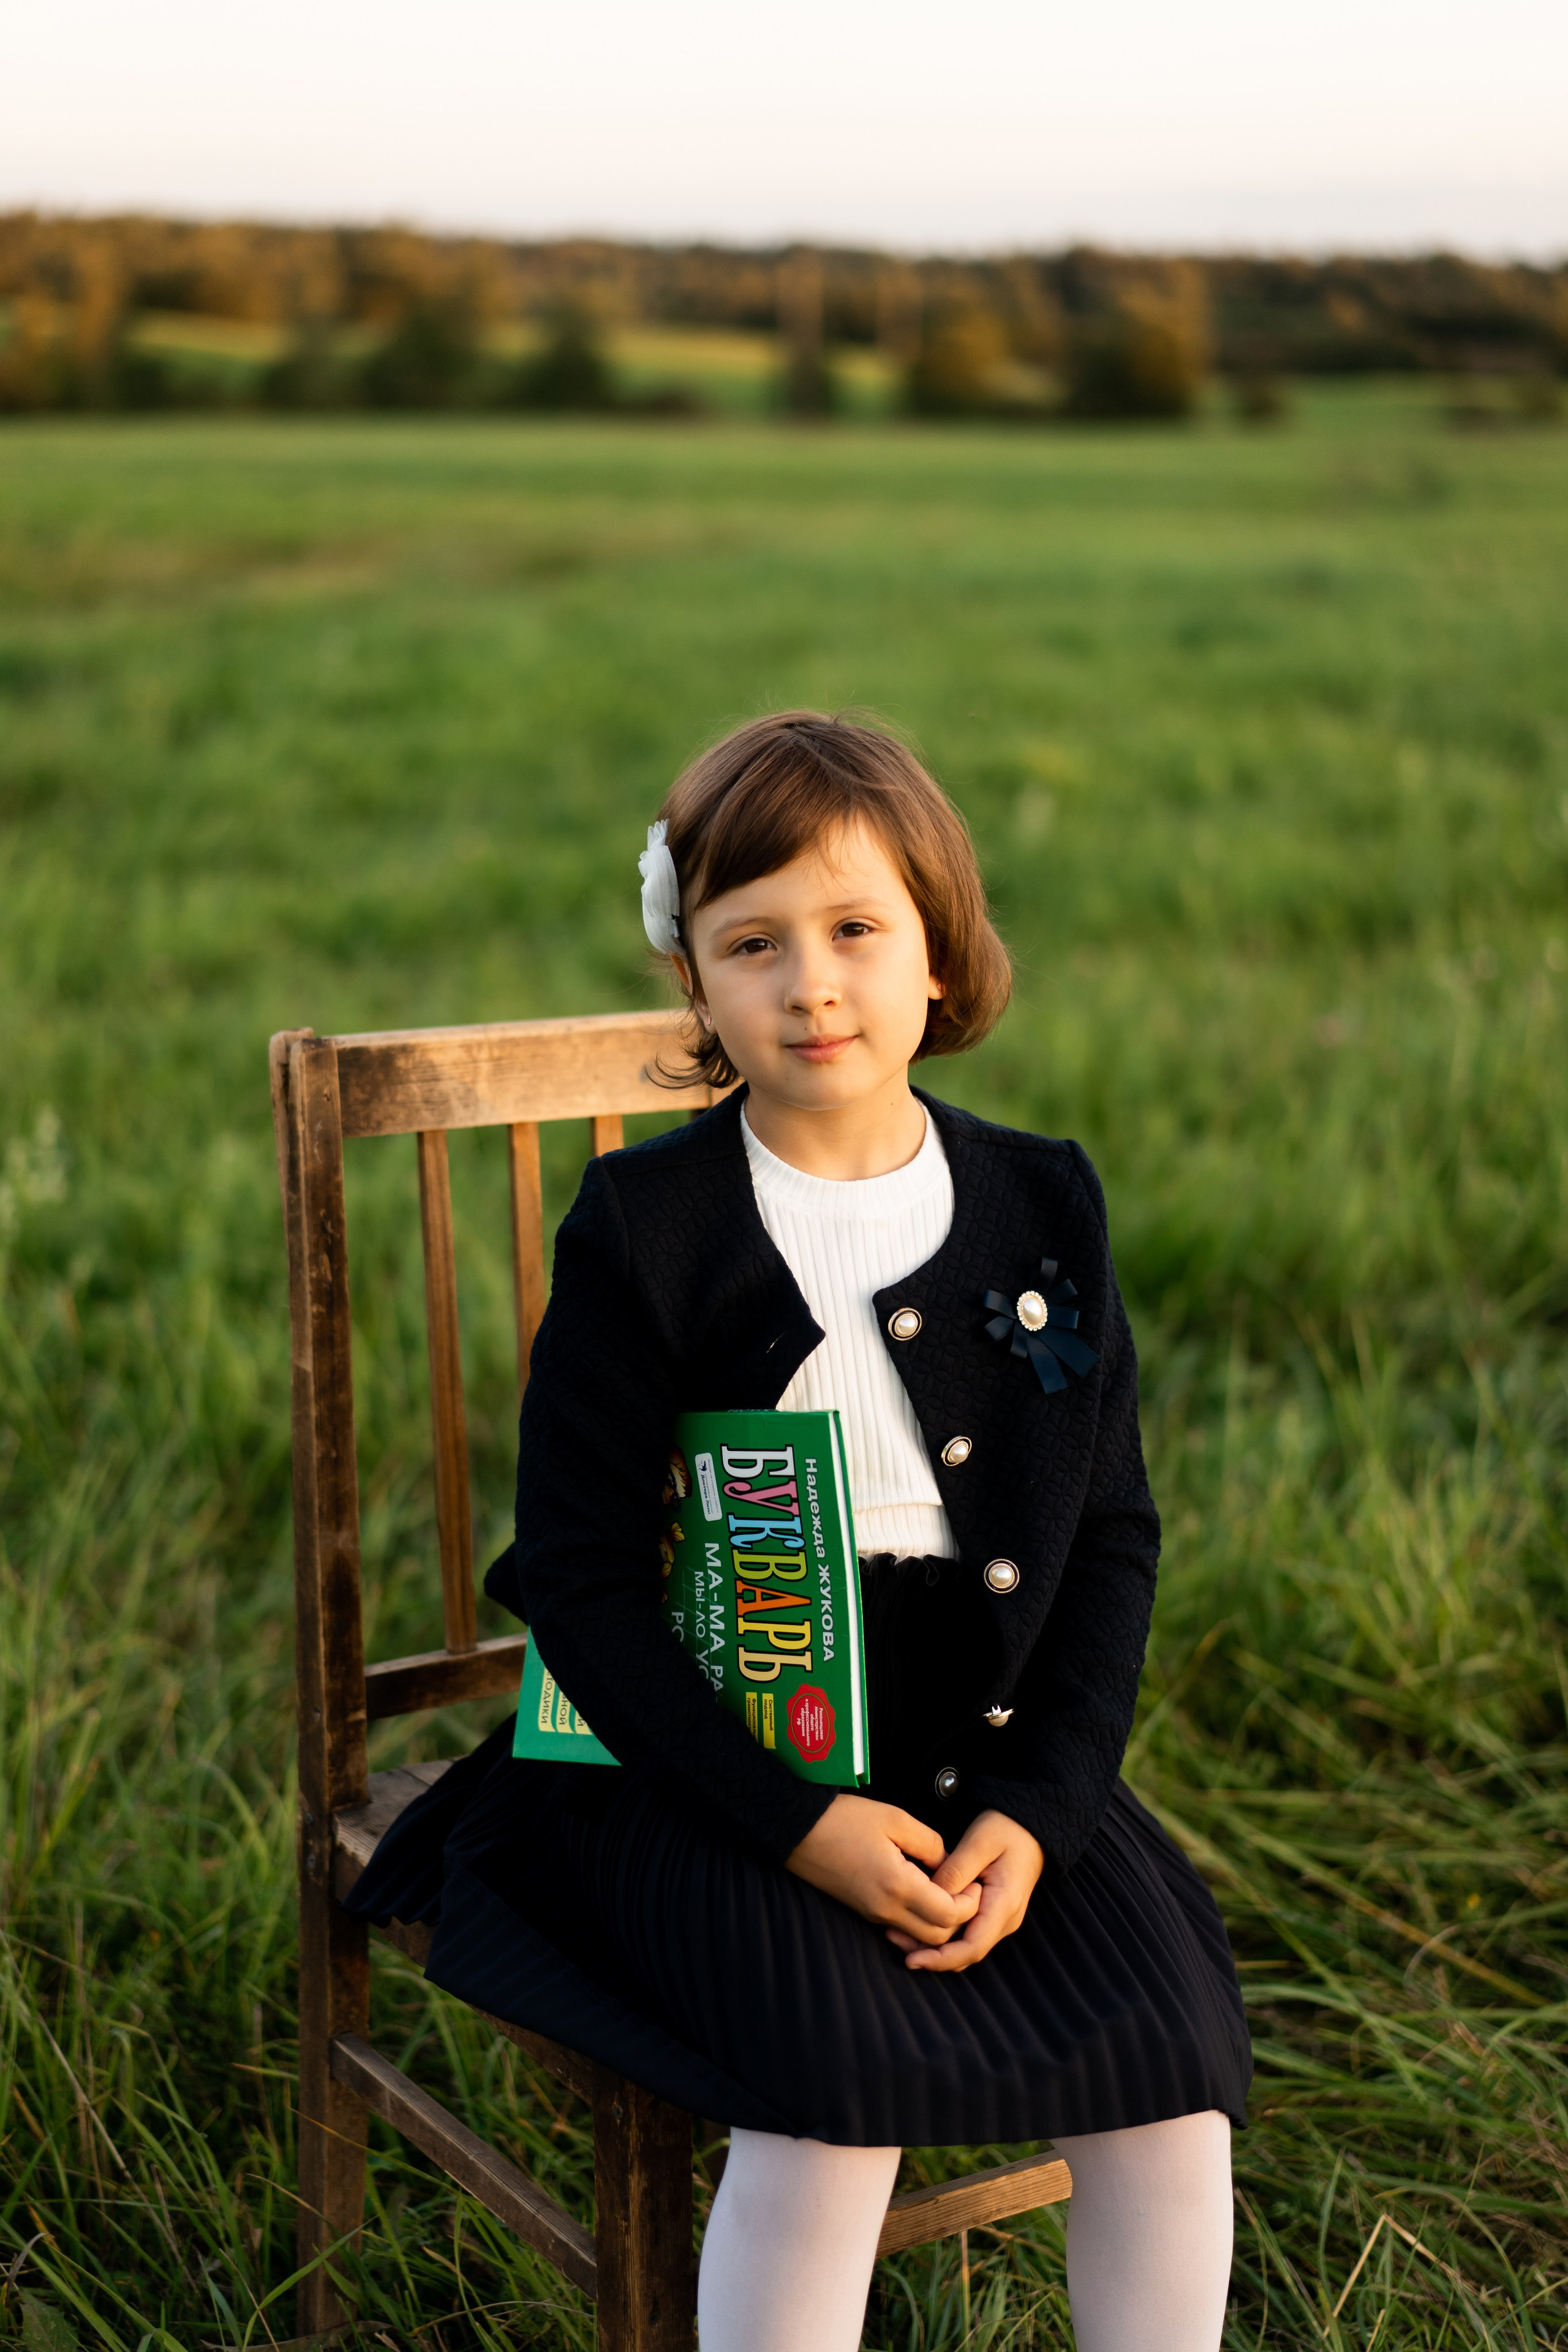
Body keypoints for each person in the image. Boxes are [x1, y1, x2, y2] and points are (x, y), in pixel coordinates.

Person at [346, 712, 1251, 2351]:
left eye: (855, 931)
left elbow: (1108, 1537)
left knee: (1171, 2097)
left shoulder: (1045, 1200)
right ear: (691, 979)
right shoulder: (653, 1231)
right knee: (835, 2110)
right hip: (704, 1755)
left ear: (939, 954)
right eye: (750, 943)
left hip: (984, 1752)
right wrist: (800, 1824)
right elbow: (583, 1581)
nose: (810, 985)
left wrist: (1043, 1811)